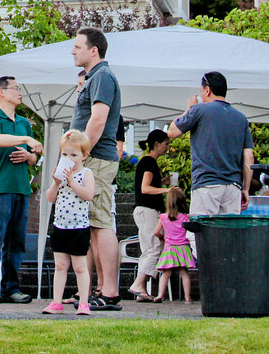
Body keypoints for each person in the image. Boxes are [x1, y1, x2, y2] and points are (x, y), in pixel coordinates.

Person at [69, 27, 122, 310]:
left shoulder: (102, 76)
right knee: (94, 225)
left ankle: (110, 292)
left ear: (94, 50)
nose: (73, 51)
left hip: (97, 159)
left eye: (78, 47)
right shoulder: (95, 77)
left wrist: (82, 154)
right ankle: (99, 290)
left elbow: (98, 119)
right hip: (93, 158)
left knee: (101, 223)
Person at [0, 76, 42, 305]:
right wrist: (26, 139)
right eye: (15, 88)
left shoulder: (24, 123)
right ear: (1, 92)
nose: (20, 92)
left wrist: (29, 156)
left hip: (21, 188)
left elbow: (34, 157)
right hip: (0, 188)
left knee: (17, 242)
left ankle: (11, 289)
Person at [167, 71, 254, 215]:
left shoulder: (198, 110)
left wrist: (188, 109)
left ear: (207, 90)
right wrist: (246, 189)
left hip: (206, 184)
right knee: (229, 228)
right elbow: (249, 156)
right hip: (233, 187)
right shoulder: (241, 118)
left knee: (203, 228)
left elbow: (172, 132)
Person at [41, 130, 95, 316]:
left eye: (73, 155)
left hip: (79, 228)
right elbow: (50, 197)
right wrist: (56, 183)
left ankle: (84, 302)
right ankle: (56, 302)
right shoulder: (60, 174)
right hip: (60, 226)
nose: (69, 159)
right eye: (64, 154)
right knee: (60, 266)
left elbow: (88, 195)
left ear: (84, 156)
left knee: (80, 267)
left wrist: (72, 182)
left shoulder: (86, 173)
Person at [127, 128, 172, 301]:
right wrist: (166, 190)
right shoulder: (149, 162)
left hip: (143, 210)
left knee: (148, 249)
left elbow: (147, 184)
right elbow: (145, 188)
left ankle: (141, 290)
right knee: (155, 248)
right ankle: (138, 284)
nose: (168, 148)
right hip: (147, 210)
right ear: (157, 144)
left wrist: (162, 182)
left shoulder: (147, 162)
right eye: (166, 144)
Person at [153, 187, 195, 303]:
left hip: (169, 247)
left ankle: (160, 295)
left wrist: (161, 237)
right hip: (183, 247)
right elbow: (191, 230)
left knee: (165, 273)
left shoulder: (163, 217)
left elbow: (155, 231)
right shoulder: (185, 217)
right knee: (184, 273)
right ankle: (187, 298)